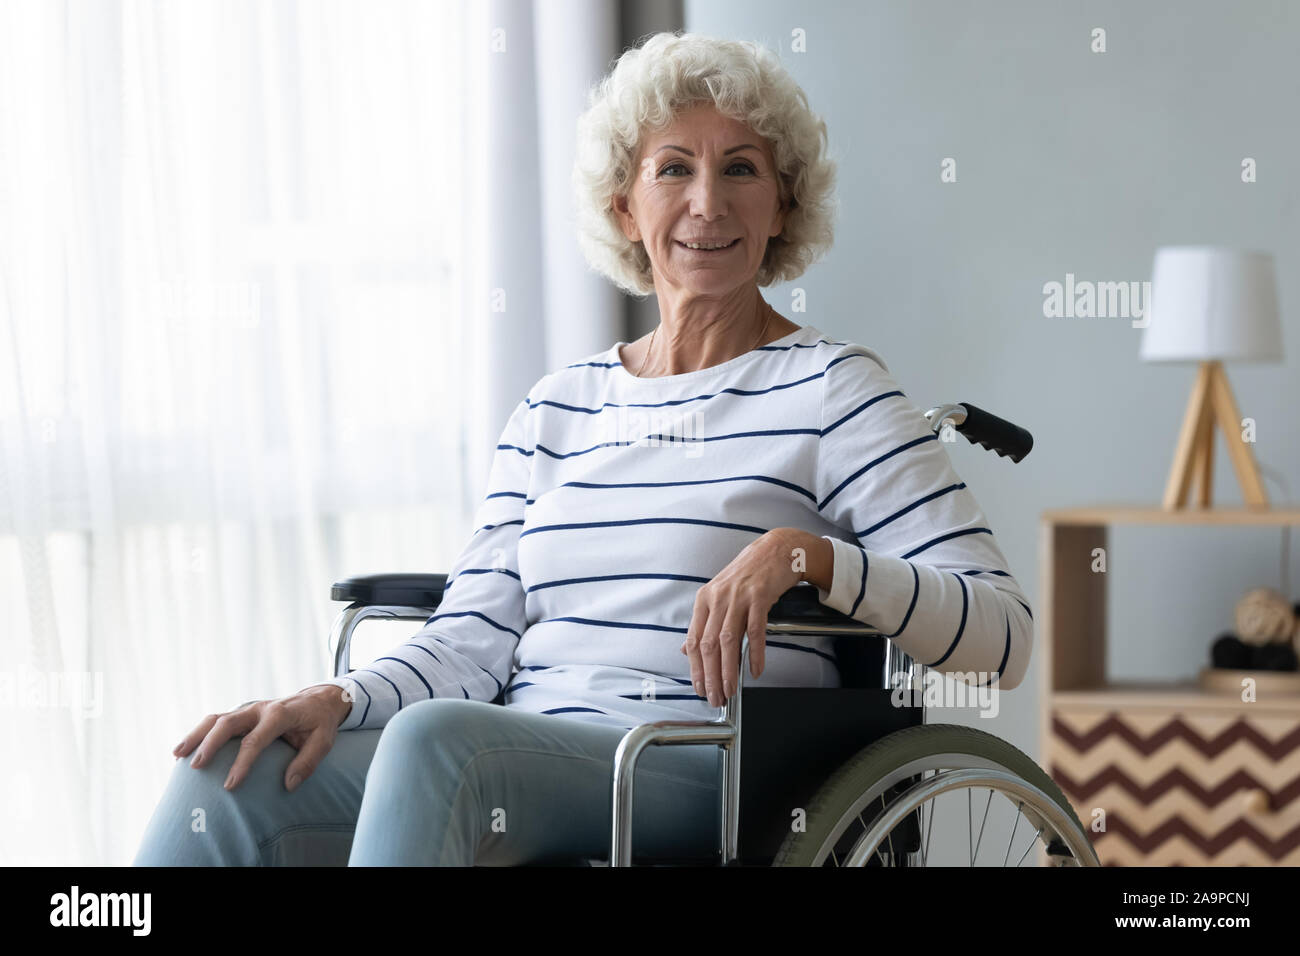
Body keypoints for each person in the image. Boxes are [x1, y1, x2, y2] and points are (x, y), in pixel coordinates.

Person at [133, 31, 1032, 867]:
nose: (706, 202)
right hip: (505, 754)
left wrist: (809, 556)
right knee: (228, 771)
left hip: (704, 763)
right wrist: (340, 699)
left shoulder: (834, 388)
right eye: (672, 168)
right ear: (625, 206)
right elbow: (471, 639)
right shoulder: (556, 405)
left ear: (782, 203)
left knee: (440, 742)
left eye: (742, 169)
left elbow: (1003, 636)